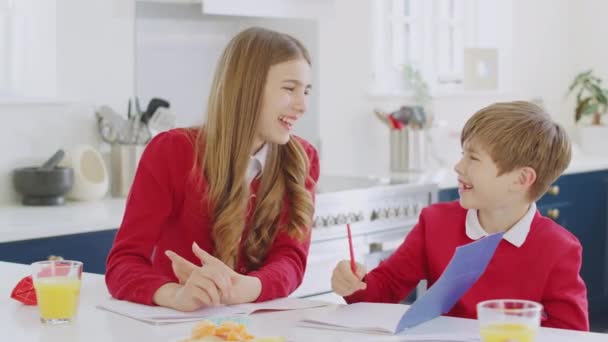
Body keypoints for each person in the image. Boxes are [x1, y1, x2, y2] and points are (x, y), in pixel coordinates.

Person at [105, 27, 319, 312]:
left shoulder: (303, 158)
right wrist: (175, 295)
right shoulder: (172, 152)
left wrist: (244, 289)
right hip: (179, 328)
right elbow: (123, 263)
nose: (303, 105)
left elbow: (290, 259)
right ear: (247, 89)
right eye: (290, 89)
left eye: (306, 91)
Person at [331, 101, 589, 331]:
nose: (458, 166)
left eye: (473, 158)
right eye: (462, 154)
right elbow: (383, 288)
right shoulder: (435, 223)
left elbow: (571, 334)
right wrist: (354, 284)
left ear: (521, 179)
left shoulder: (559, 249)